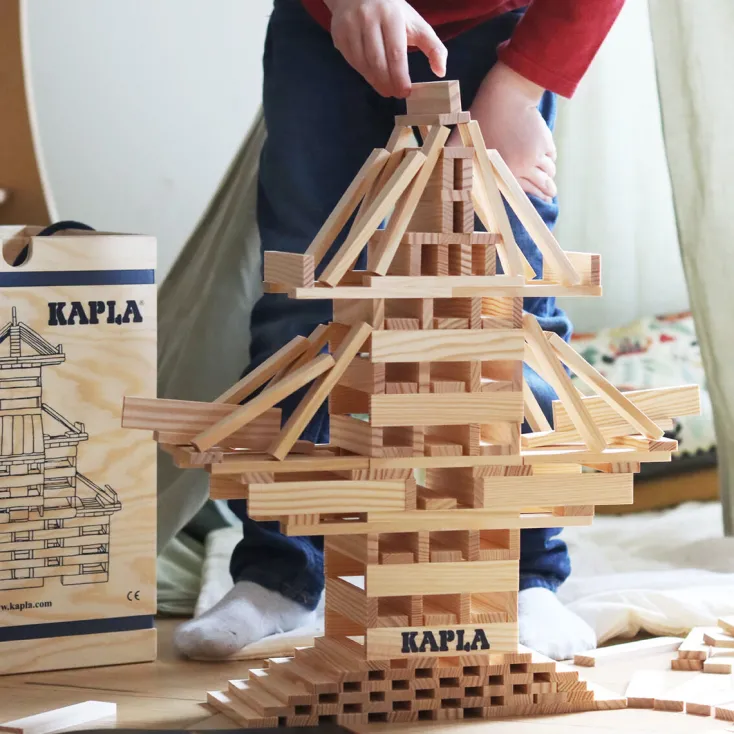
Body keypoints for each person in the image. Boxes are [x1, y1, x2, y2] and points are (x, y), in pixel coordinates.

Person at [175, 0, 625, 662]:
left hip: (497, 34)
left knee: (506, 304)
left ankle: (525, 573)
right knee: (305, 301)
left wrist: (520, 87)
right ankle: (278, 573)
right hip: (325, 30)